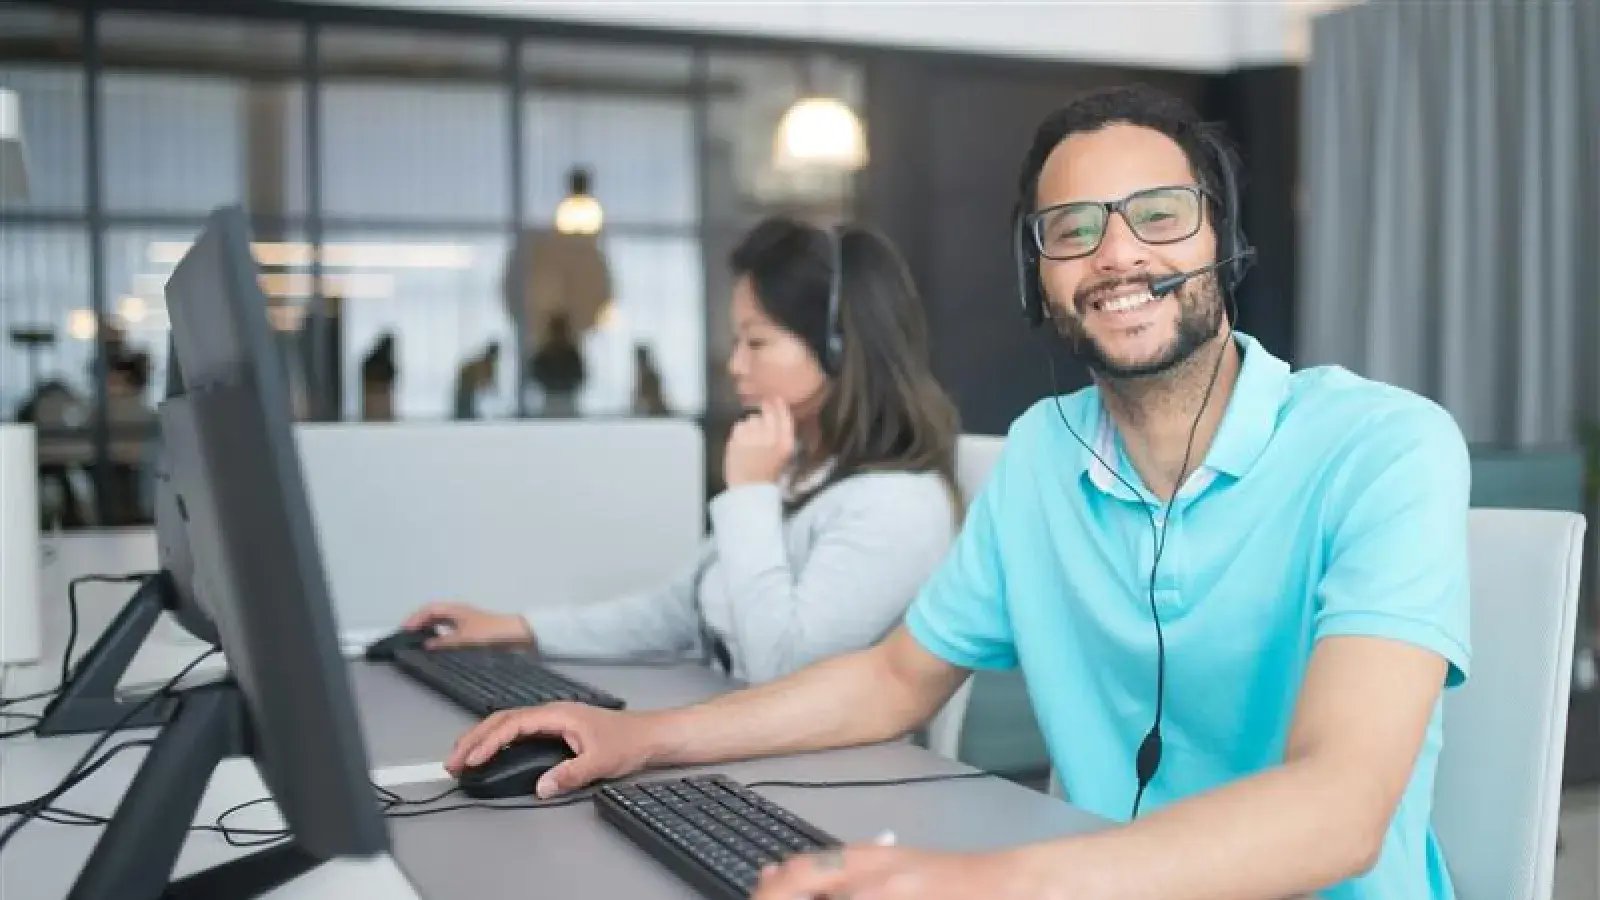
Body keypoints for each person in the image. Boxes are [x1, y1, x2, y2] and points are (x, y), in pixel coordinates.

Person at [442, 85, 1471, 900]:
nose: (1117, 253)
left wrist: (988, 883)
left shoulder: (1382, 446)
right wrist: (640, 737)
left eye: (1159, 216)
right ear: (1038, 276)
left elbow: (1341, 808)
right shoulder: (1039, 455)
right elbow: (892, 680)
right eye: (1072, 231)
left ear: (1222, 242)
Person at [403, 216, 963, 685]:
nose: (737, 364)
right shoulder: (804, 472)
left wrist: (750, 495)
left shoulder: (895, 505)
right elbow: (678, 612)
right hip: (743, 742)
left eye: (758, 342)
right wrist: (518, 627)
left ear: (841, 347)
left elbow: (784, 670)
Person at [530, 313, 585, 417]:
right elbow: (536, 374)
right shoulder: (544, 354)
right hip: (550, 399)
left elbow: (579, 376)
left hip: (567, 399)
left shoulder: (571, 354)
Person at [452, 341, 500, 420]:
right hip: (465, 390)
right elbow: (482, 379)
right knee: (464, 414)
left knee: (467, 413)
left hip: (467, 390)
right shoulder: (483, 364)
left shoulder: (484, 363)